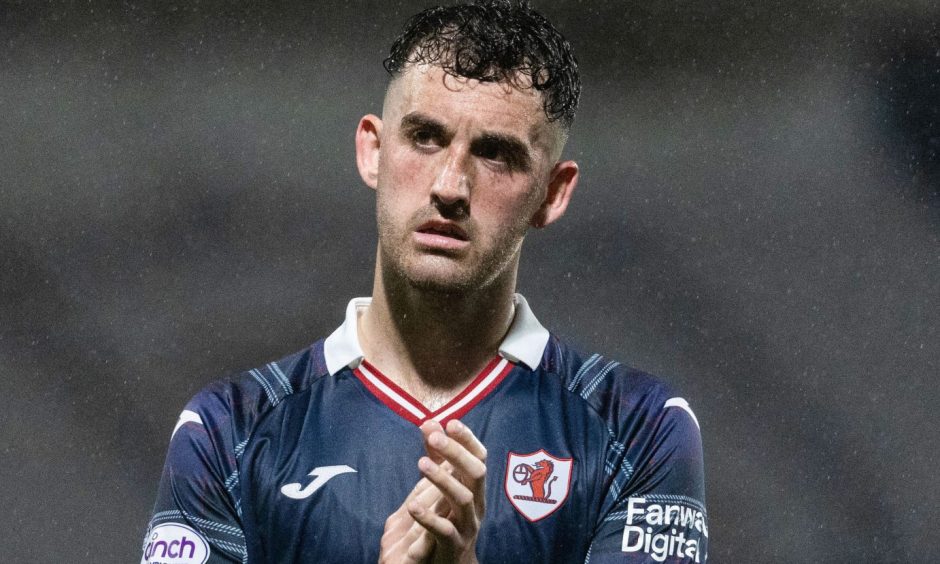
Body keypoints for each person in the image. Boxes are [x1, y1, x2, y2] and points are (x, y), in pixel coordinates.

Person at [141, 1, 708, 562]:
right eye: (426, 137)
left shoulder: (637, 431)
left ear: (552, 194)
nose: (450, 185)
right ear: (373, 150)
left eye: (495, 154)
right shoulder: (228, 433)